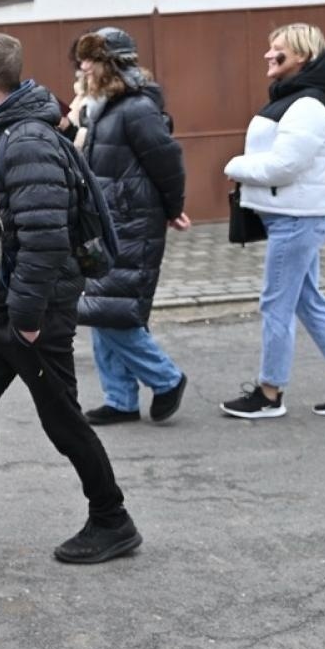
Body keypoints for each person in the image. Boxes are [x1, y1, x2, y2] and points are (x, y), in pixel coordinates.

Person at [0, 33, 143, 567]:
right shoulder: (2, 133)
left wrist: (26, 318)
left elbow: (44, 238)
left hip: (32, 311)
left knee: (62, 419)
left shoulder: (26, 141)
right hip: (5, 307)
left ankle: (112, 519)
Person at [222, 23, 325, 418]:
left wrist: (235, 166)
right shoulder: (296, 97)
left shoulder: (309, 104)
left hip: (296, 219)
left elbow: (285, 165)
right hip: (293, 216)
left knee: (276, 303)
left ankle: (269, 393)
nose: (268, 54)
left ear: (302, 56)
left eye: (278, 49)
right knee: (308, 300)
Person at [70, 28, 191, 424]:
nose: (84, 67)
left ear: (112, 65)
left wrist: (174, 208)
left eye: (91, 60)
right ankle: (120, 399)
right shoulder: (104, 107)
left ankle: (166, 378)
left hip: (131, 220)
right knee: (103, 307)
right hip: (108, 220)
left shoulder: (136, 108)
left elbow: (167, 161)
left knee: (111, 310)